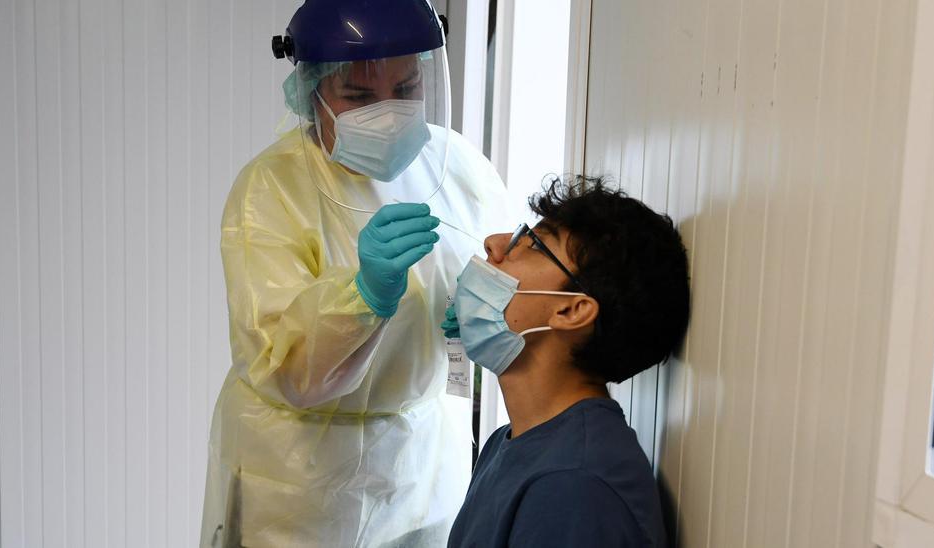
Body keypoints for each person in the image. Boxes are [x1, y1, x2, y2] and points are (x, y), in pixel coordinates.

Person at [200, 1, 511, 547]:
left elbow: (507, 273)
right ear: (310, 89)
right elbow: (285, 365)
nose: (389, 111)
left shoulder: (457, 167)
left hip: (423, 467)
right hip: (301, 481)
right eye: (360, 97)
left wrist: (490, 313)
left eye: (408, 87)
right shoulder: (270, 190)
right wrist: (363, 296)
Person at [443, 176, 691, 548]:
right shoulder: (511, 442)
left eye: (532, 244)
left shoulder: (574, 486)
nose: (494, 244)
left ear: (573, 310)